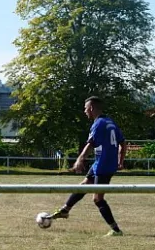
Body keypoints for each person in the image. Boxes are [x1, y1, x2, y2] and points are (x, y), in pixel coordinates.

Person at [50, 96, 126, 236]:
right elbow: (123, 143)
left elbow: (90, 144)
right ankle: (65, 210)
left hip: (103, 165)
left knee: (97, 199)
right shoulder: (111, 123)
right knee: (84, 185)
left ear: (91, 108)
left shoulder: (98, 124)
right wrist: (120, 161)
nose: (85, 111)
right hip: (101, 163)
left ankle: (116, 230)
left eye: (85, 109)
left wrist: (80, 159)